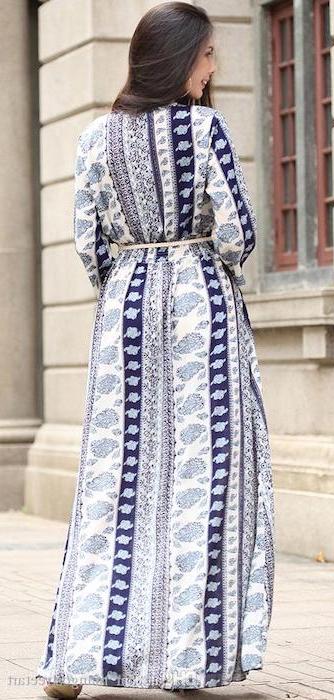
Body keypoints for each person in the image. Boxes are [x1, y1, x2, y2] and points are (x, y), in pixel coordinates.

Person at [35, 3, 274, 697]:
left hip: (128, 313)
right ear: (178, 60)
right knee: (201, 481)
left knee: (115, 480)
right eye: (205, 56)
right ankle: (184, 656)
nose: (213, 68)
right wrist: (192, 260)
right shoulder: (204, 131)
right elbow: (237, 236)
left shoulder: (93, 139)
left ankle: (77, 655)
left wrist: (132, 281)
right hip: (201, 309)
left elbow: (89, 245)